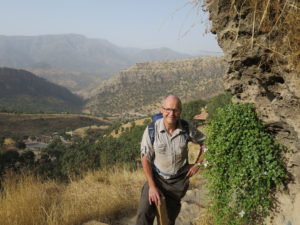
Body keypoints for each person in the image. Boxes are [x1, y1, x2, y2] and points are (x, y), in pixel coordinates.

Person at [136, 95, 206, 225]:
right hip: (156, 179)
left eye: (175, 110)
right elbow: (145, 158)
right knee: (143, 215)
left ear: (180, 111)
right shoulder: (152, 129)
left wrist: (199, 163)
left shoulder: (186, 128)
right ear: (162, 110)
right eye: (168, 109)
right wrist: (151, 186)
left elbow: (206, 144)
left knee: (167, 220)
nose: (171, 113)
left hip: (177, 183)